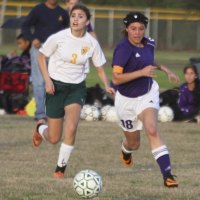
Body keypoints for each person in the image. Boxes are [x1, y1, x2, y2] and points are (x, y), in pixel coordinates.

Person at [32, 4, 114, 178]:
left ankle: (60, 169)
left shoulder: (91, 43)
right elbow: (41, 57)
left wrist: (107, 85)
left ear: (87, 21)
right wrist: (47, 80)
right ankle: (40, 127)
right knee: (54, 138)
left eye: (80, 16)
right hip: (55, 87)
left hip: (76, 89)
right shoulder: (59, 37)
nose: (76, 19)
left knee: (71, 128)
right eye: (73, 15)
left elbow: (99, 68)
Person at [111, 12, 179, 188]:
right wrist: (141, 73)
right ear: (126, 29)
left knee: (152, 129)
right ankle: (126, 151)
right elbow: (116, 79)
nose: (137, 32)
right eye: (133, 28)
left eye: (141, 28)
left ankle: (168, 175)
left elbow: (149, 60)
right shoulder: (123, 49)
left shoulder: (149, 43)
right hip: (125, 100)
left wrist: (165, 69)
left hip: (147, 93)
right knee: (134, 143)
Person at [21, 0, 69, 123]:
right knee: (39, 82)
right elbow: (25, 26)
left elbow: (67, 32)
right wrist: (32, 39)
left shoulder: (62, 13)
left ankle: (55, 113)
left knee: (57, 82)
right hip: (39, 48)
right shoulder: (38, 9)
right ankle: (41, 114)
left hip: (56, 51)